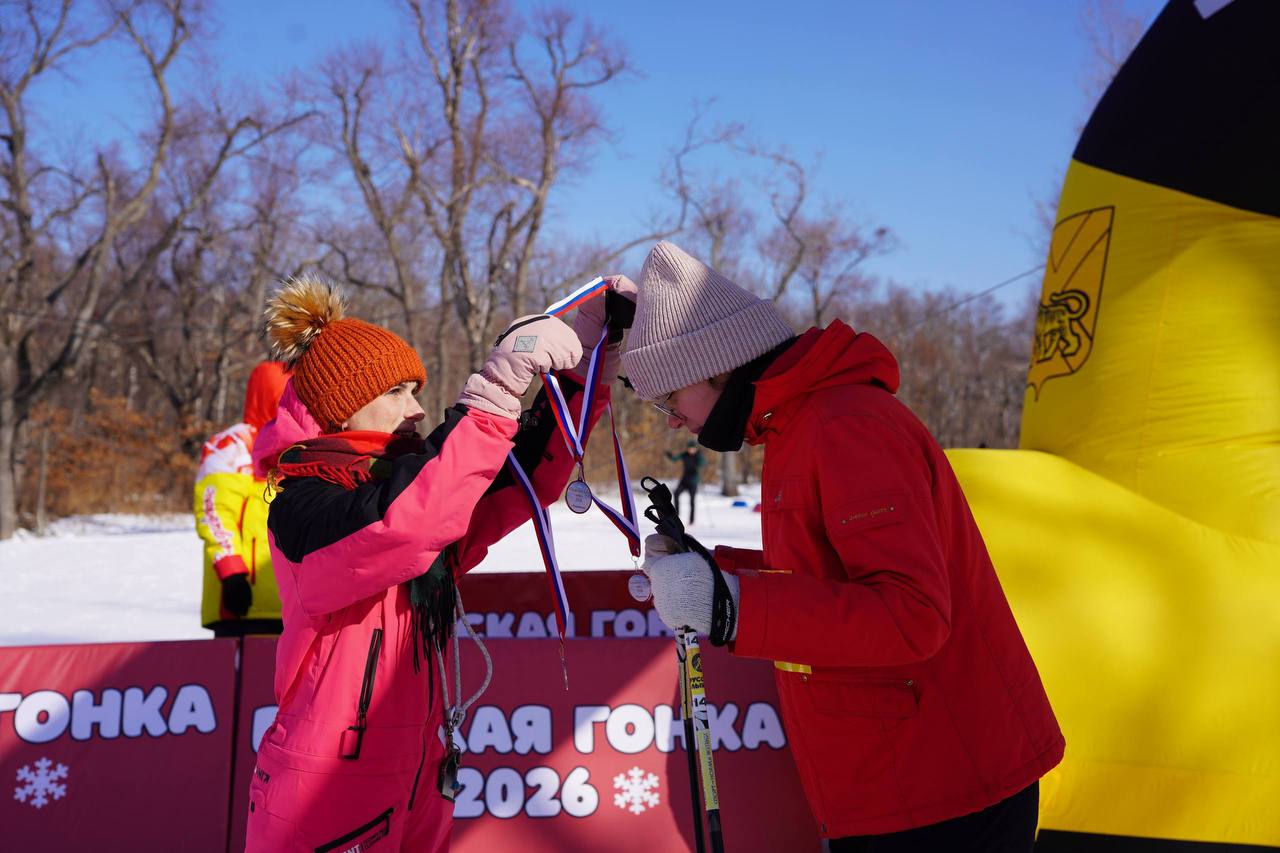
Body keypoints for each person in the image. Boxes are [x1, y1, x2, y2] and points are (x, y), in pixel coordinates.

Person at [622, 242, 1064, 852]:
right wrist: (715, 574)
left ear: (716, 366)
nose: (672, 420)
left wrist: (732, 606)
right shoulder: (796, 427)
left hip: (946, 786)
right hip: (894, 780)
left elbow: (911, 614)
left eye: (670, 398)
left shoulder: (845, 425)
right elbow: (826, 574)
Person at [245, 274, 633, 851]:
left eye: (416, 390)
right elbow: (404, 522)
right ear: (342, 409)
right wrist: (494, 392)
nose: (418, 408)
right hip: (325, 789)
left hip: (420, 775)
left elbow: (523, 478)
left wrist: (588, 362)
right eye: (397, 392)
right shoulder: (304, 504)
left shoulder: (418, 481)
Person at [193, 360, 289, 637]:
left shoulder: (301, 446)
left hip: (292, 606)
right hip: (242, 603)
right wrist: (231, 573)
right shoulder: (233, 445)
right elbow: (215, 512)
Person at [665, 440, 704, 524]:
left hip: (693, 481)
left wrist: (700, 457)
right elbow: (674, 459)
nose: (691, 450)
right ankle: (677, 514)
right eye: (690, 448)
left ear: (695, 449)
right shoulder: (684, 455)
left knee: (692, 501)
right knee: (676, 494)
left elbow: (703, 464)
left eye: (693, 449)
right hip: (684, 480)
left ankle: (691, 520)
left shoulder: (698, 456)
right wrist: (670, 456)